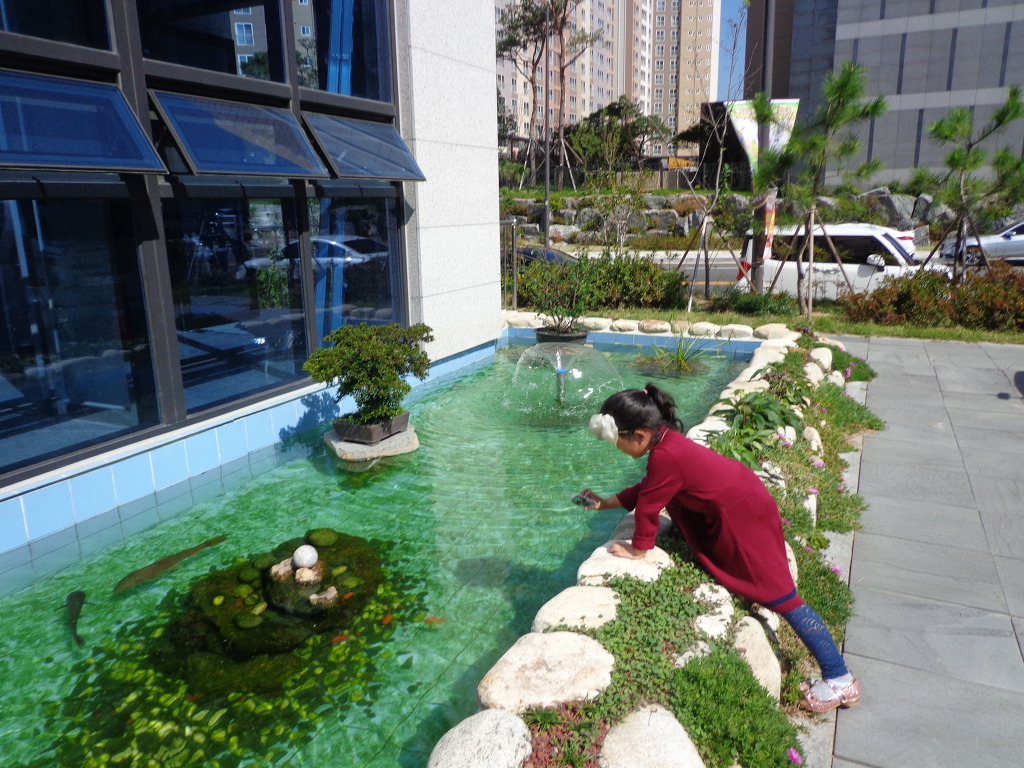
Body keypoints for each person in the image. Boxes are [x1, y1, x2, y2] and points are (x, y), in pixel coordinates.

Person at [581, 382, 859, 713]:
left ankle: (840, 678)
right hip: (747, 504)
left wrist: (638, 549)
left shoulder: (665, 456)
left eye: (617, 442)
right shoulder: (667, 443)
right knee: (776, 591)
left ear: (639, 436)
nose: (617, 449)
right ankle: (838, 675)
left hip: (744, 522)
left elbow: (649, 507)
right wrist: (604, 503)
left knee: (784, 598)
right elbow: (649, 489)